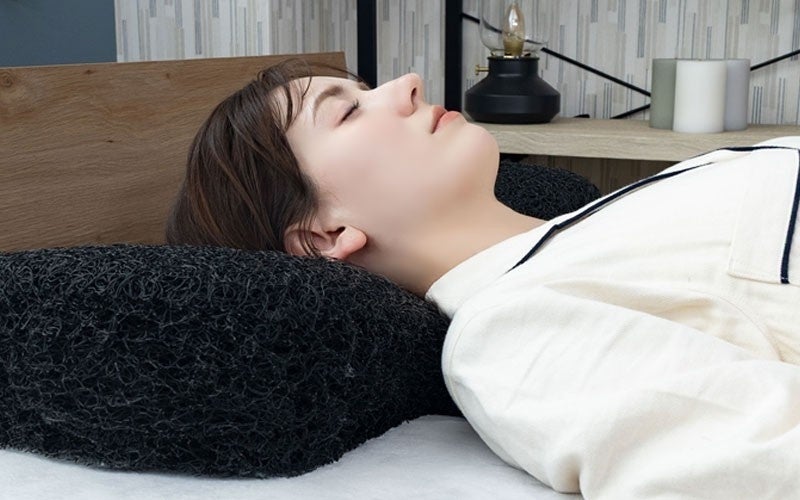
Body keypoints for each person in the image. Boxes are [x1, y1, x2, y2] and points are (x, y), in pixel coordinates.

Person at [166, 59, 800, 499]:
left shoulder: (588, 229)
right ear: (325, 235)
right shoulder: (509, 335)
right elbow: (758, 465)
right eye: (348, 112)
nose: (407, 84)